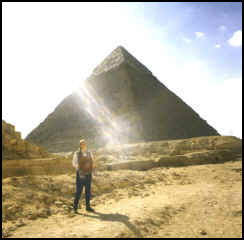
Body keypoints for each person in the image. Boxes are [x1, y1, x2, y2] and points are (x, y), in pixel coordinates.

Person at [72, 139, 96, 213]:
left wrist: (91, 170)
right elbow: (74, 163)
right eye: (82, 144)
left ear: (86, 144)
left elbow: (92, 161)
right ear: (80, 145)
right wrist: (79, 169)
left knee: (88, 191)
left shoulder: (89, 153)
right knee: (79, 191)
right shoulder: (76, 153)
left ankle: (88, 207)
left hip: (88, 174)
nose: (83, 145)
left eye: (84, 144)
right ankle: (75, 208)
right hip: (80, 174)